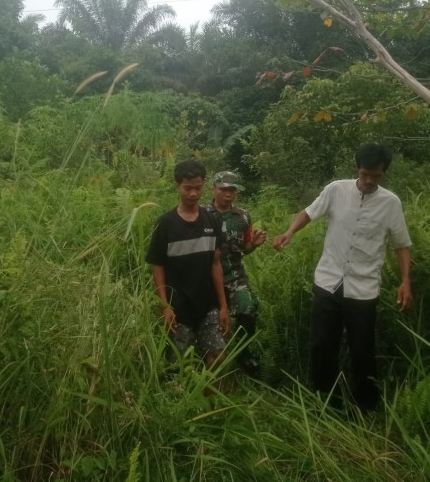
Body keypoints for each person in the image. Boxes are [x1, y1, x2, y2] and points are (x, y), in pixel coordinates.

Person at [273, 144, 412, 412]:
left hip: (364, 288)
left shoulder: (390, 203)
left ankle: (365, 407)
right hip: (328, 280)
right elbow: (309, 212)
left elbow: (401, 245)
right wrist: (289, 232)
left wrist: (406, 281)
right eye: (365, 174)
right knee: (321, 344)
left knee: (362, 349)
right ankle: (325, 401)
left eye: (376, 176)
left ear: (384, 173)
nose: (370, 180)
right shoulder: (336, 190)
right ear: (357, 168)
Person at [146, 159, 231, 369]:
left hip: (207, 305)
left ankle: (215, 402)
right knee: (179, 367)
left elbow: (215, 264)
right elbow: (157, 266)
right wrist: (164, 306)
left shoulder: (211, 221)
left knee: (218, 360)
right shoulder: (165, 224)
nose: (193, 193)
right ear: (177, 186)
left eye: (198, 188)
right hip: (179, 308)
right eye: (188, 188)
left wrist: (223, 306)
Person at [205, 171, 267, 377]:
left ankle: (242, 350)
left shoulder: (243, 216)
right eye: (223, 189)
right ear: (213, 189)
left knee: (248, 308)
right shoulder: (202, 214)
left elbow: (244, 248)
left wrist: (254, 245)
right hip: (205, 276)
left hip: (234, 275)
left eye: (232, 190)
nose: (228, 194)